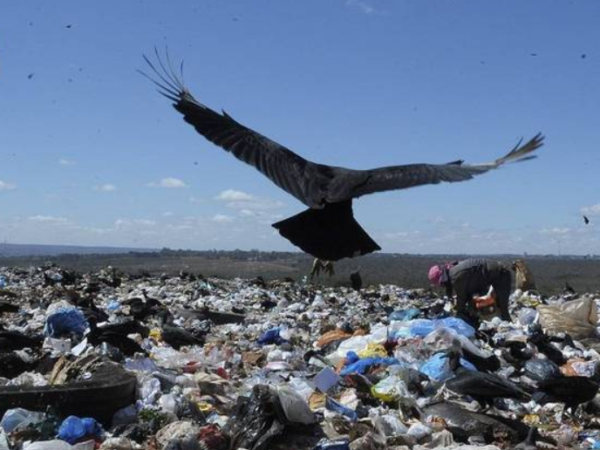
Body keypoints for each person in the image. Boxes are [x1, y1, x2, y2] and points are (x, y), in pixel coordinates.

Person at [428, 258, 512, 326]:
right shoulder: (453, 271)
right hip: (490, 275)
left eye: (441, 284)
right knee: (479, 302)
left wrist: (459, 314)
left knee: (502, 306)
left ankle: (508, 327)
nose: (442, 286)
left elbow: (462, 297)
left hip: (501, 274)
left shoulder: (456, 277)